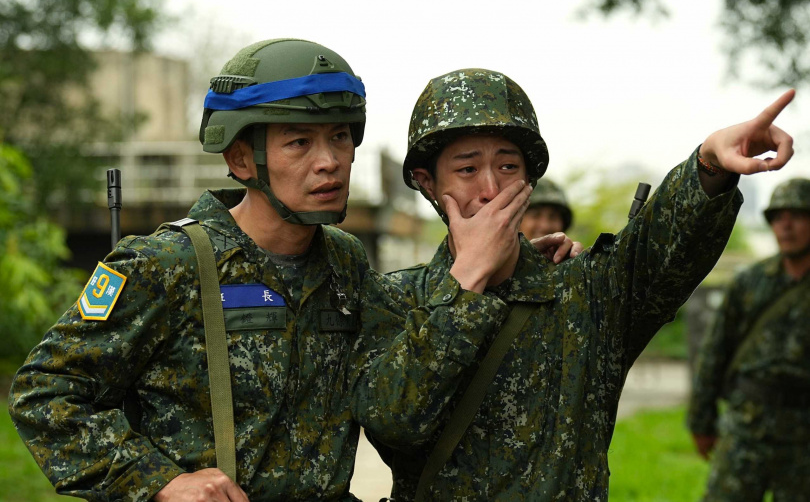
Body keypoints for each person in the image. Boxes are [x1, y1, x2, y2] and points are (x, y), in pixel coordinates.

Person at [8, 40, 576, 501]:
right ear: (240, 159)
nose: (328, 162)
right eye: (299, 142)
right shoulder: (166, 264)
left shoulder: (346, 263)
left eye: (340, 138)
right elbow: (45, 393)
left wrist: (515, 261)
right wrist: (160, 482)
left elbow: (413, 334)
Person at [350, 68, 795, 501]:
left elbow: (662, 247)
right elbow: (393, 423)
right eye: (467, 170)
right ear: (428, 183)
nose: (491, 188)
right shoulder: (396, 298)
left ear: (529, 180)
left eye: (508, 166)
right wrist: (465, 284)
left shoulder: (584, 290)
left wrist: (709, 164)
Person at [688, 178, 810, 502]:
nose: (786, 226)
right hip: (746, 426)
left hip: (804, 434)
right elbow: (715, 351)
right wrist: (701, 420)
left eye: (797, 216)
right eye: (778, 218)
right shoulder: (750, 282)